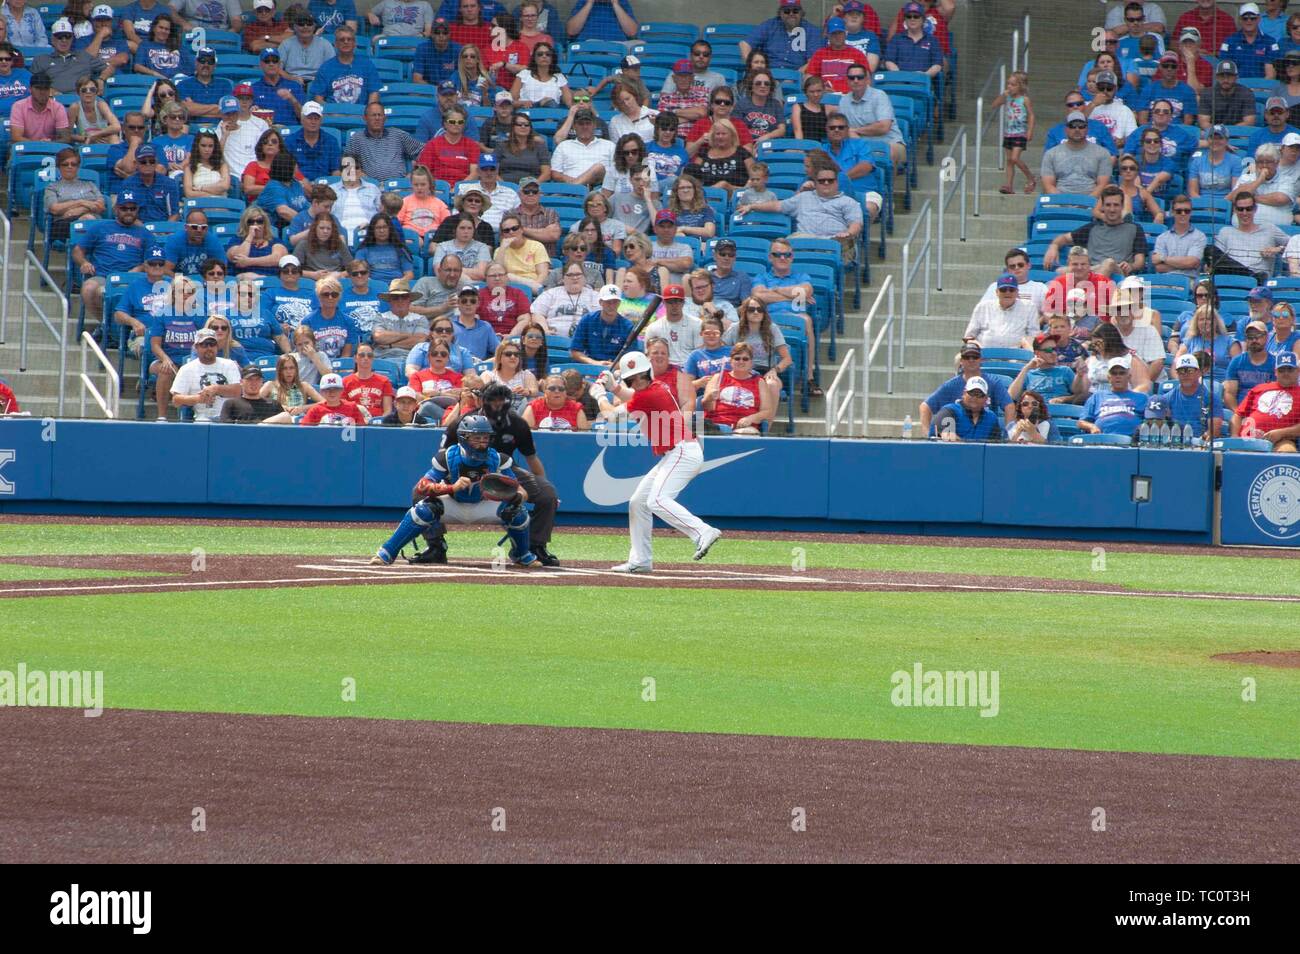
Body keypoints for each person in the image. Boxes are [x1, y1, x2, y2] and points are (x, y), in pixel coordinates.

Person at [370, 412, 538, 565]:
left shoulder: (499, 459)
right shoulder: (447, 457)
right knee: (422, 510)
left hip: (484, 505)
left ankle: (522, 554)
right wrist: (452, 487)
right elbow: (422, 486)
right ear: (464, 438)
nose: (482, 443)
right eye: (476, 438)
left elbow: (521, 491)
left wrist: (515, 496)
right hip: (454, 503)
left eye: (485, 438)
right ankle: (387, 552)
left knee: (518, 512)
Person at [72, 189, 150, 325]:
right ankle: (107, 326)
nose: (129, 211)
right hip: (103, 276)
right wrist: (84, 262)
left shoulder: (144, 233)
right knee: (88, 288)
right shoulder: (101, 227)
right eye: (124, 208)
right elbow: (77, 250)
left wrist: (140, 268)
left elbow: (155, 260)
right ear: (116, 209)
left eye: (132, 208)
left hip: (132, 278)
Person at [837, 66, 907, 169]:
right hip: (861, 144)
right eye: (852, 78)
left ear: (867, 79)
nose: (855, 81)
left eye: (859, 77)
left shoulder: (880, 96)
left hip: (889, 142)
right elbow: (844, 130)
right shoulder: (843, 101)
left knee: (889, 153)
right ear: (847, 81)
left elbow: (884, 127)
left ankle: (887, 185)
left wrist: (856, 130)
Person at [1210, 192, 1289, 281]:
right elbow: (1217, 259)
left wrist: (1279, 249)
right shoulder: (1226, 232)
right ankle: (1249, 275)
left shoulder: (1269, 228)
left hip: (1259, 281)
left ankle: (1251, 276)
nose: (1245, 213)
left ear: (1255, 209)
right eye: (1240, 209)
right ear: (1235, 210)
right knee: (1209, 250)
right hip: (1232, 277)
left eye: (1249, 209)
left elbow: (1295, 244)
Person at [169, 327, 242, 421]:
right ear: (196, 347)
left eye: (212, 344)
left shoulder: (229, 364)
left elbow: (237, 391)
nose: (209, 348)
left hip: (229, 417)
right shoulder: (187, 369)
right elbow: (176, 400)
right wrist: (198, 399)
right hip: (203, 418)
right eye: (204, 345)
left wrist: (216, 389)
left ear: (217, 346)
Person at [1232, 349, 1300, 446]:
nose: (1286, 373)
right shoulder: (1259, 388)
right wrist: (1234, 436)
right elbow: (1238, 415)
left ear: (1298, 371)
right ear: (1275, 372)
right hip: (1248, 438)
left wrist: (1282, 433)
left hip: (1281, 440)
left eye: (1290, 369)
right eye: (1281, 370)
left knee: (1287, 451)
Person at [741, 2, 823, 73]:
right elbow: (744, 44)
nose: (791, 14)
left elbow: (813, 61)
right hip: (768, 75)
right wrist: (755, 69)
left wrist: (796, 75)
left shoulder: (811, 31)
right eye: (787, 11)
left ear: (801, 13)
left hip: (798, 76)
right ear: (780, 13)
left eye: (795, 11)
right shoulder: (770, 25)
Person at [43, 148, 104, 242]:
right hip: (64, 225)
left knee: (89, 219)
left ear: (78, 166)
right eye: (65, 164)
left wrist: (79, 210)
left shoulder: (90, 185)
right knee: (88, 220)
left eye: (73, 164)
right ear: (59, 167)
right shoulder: (52, 187)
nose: (69, 167)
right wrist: (81, 202)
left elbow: (100, 206)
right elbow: (54, 209)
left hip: (91, 220)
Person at [1078, 356, 1149, 436]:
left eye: (1122, 373)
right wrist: (1092, 427)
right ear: (1109, 377)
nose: (1118, 376)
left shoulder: (1142, 398)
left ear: (1129, 377)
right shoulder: (1097, 396)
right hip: (1101, 439)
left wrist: (1142, 428)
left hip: (1132, 441)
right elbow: (1081, 422)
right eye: (1114, 373)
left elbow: (1152, 421)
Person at [989, 70, 1034, 194]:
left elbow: (1031, 115)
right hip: (1008, 133)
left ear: (1021, 86)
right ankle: (1008, 185)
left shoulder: (1024, 100)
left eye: (1013, 84)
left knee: (1015, 158)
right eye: (1008, 84)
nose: (1009, 86)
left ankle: (1030, 177)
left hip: (1020, 133)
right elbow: (994, 105)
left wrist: (1029, 131)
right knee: (1009, 160)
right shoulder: (1007, 98)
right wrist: (1003, 95)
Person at [310, 24, 379, 106]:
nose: (346, 42)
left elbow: (374, 93)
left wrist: (367, 114)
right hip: (334, 115)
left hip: (360, 114)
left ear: (355, 43)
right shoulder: (326, 68)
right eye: (342, 40)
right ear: (335, 44)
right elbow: (318, 98)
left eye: (349, 39)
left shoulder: (367, 65)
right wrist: (331, 112)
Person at [930, 376, 1004, 442]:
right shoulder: (949, 411)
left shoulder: (992, 418)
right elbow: (948, 438)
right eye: (971, 393)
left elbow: (995, 446)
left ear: (986, 398)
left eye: (979, 394)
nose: (975, 397)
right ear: (964, 393)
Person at [120, 143, 180, 223]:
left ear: (156, 163)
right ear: (136, 164)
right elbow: (123, 212)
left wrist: (165, 230)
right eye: (143, 162)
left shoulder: (169, 183)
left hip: (163, 229)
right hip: (137, 228)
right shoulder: (128, 184)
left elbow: (174, 214)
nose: (148, 164)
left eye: (151, 161)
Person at [1224, 320, 1278, 406]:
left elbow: (1275, 395)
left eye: (1258, 336)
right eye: (1250, 337)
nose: (1254, 340)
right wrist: (1237, 413)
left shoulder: (1274, 363)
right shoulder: (1237, 361)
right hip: (1240, 409)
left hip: (1265, 410)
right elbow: (1229, 393)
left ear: (1266, 337)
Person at [1219, 3, 1279, 79]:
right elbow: (1226, 73)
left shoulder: (1270, 42)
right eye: (1245, 18)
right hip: (1236, 88)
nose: (1249, 21)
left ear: (1259, 19)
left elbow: (1270, 75)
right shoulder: (1230, 42)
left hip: (1261, 88)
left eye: (1252, 18)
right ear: (1240, 20)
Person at [227, 205, 287, 279]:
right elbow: (238, 258)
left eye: (259, 221)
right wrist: (250, 236)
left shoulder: (275, 241)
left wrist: (249, 261)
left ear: (265, 224)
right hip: (244, 281)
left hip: (269, 280)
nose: (255, 224)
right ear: (245, 224)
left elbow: (278, 259)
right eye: (251, 222)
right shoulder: (237, 240)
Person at [10, 72, 68, 144]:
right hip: (26, 149)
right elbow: (16, 137)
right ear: (30, 89)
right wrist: (39, 145)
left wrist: (49, 144)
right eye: (38, 88)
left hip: (51, 148)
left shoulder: (58, 107)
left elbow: (65, 138)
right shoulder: (18, 106)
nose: (42, 92)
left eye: (46, 88)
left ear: (50, 90)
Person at [1198, 59, 1257, 129]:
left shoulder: (1246, 94)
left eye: (1229, 76)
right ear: (1216, 77)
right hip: (1214, 135)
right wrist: (1219, 132)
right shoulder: (1207, 94)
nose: (1225, 80)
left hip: (1238, 133)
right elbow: (1203, 122)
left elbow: (1249, 122)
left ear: (1236, 77)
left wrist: (1227, 132)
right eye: (1222, 76)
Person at [1187, 124, 1242, 198]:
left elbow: (1235, 190)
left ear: (1226, 141)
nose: (1215, 141)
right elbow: (1193, 192)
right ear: (1207, 140)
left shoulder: (1235, 161)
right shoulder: (1197, 161)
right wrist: (1202, 204)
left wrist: (1222, 204)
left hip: (1226, 203)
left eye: (1220, 138)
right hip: (1201, 204)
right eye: (1212, 138)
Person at [299, 372, 369, 425]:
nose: (332, 392)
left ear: (342, 390)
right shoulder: (315, 410)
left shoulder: (352, 407)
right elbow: (305, 432)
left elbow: (361, 431)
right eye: (327, 389)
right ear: (321, 392)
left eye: (336, 389)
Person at [218, 365, 284, 422]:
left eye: (257, 379)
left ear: (262, 382)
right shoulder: (231, 404)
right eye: (249, 379)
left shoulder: (273, 404)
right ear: (241, 382)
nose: (254, 383)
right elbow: (225, 430)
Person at [523, 372, 589, 430]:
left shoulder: (576, 408)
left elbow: (584, 436)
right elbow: (525, 435)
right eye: (552, 388)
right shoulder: (534, 407)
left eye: (561, 389)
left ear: (565, 392)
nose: (557, 391)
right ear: (544, 391)